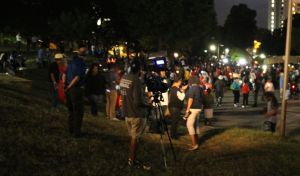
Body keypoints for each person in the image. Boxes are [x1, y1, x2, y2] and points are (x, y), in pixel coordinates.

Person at [119, 59, 151, 170]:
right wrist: (147, 104)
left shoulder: (124, 77)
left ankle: (131, 158)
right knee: (134, 138)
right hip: (136, 114)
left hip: (126, 113)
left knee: (132, 137)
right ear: (139, 70)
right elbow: (138, 101)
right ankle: (131, 160)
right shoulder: (136, 80)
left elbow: (122, 93)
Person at [65, 46, 87, 138]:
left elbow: (64, 74)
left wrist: (65, 86)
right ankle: (77, 132)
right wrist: (70, 86)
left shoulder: (72, 62)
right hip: (76, 89)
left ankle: (71, 129)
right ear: (85, 55)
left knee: (71, 110)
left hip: (68, 89)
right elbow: (77, 77)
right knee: (78, 111)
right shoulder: (81, 63)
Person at [185, 75, 203, 151]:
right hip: (199, 108)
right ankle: (196, 142)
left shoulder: (192, 88)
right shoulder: (200, 88)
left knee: (189, 125)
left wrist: (187, 111)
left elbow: (190, 99)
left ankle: (194, 144)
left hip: (193, 109)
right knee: (196, 126)